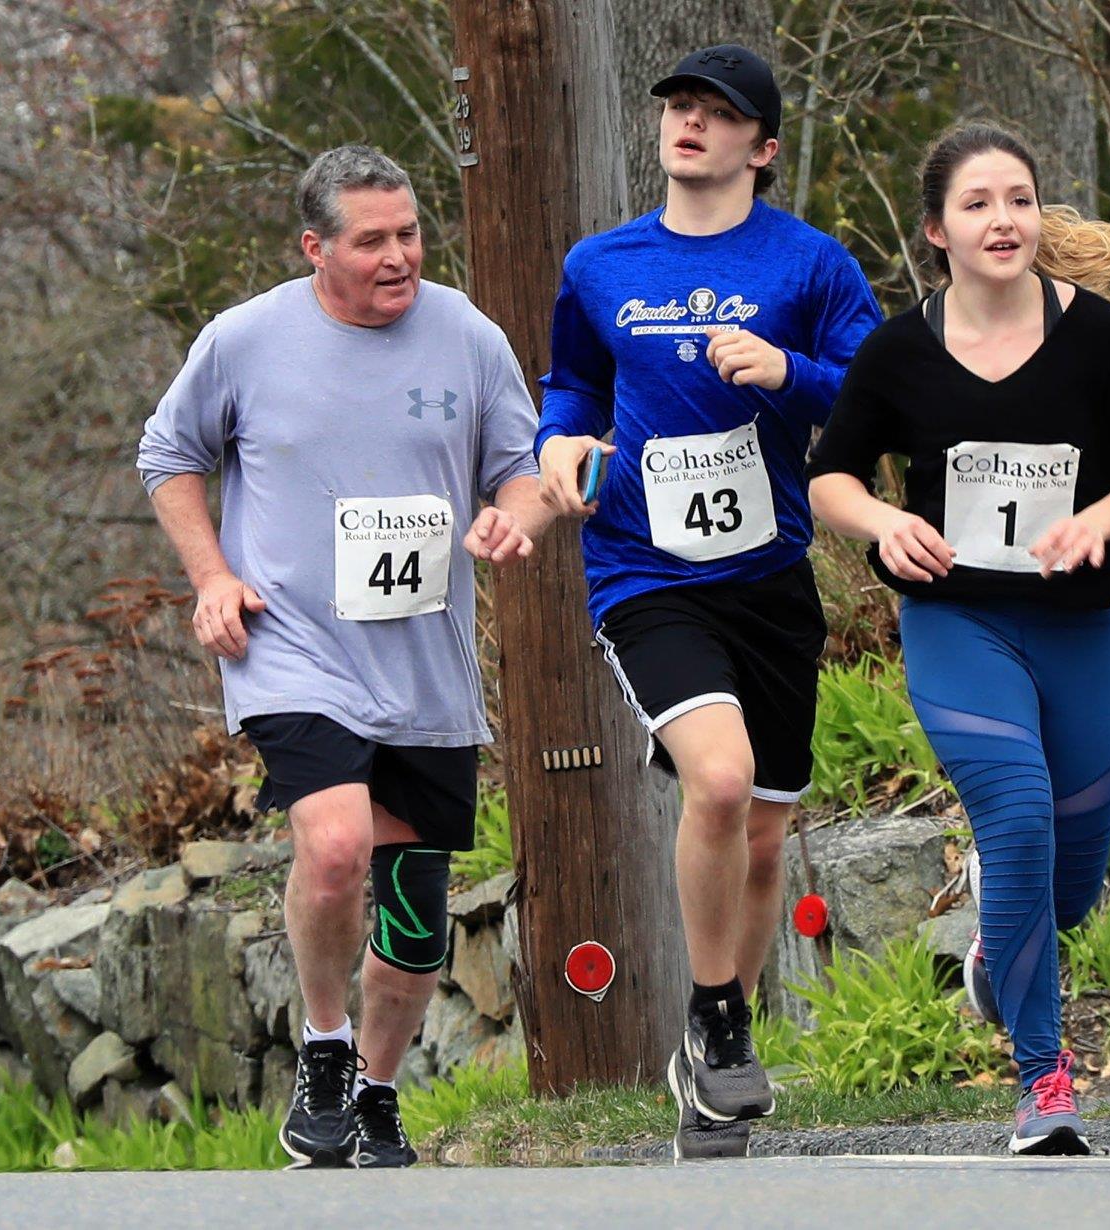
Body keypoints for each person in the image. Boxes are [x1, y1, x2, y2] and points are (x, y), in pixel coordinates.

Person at [137, 145, 549, 1169]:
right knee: (332, 848)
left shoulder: (467, 334)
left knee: (414, 916)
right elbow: (169, 455)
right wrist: (212, 577)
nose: (399, 256)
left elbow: (524, 468)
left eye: (408, 233)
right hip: (292, 647)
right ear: (315, 247)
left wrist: (514, 516)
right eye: (372, 241)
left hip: (424, 667)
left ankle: (376, 1090)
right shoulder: (245, 340)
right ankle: (324, 1047)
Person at [808, 122, 1110, 1156]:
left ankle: (996, 944)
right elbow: (831, 475)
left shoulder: (1096, 335)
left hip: (1082, 624)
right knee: (1017, 817)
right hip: (958, 621)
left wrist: (1098, 520)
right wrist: (883, 522)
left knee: (1070, 886)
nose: (1003, 219)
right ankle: (1042, 1083)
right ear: (938, 231)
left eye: (1018, 199)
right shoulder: (899, 350)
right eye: (977, 204)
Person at [534, 44, 881, 1158]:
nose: (689, 123)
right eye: (678, 106)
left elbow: (878, 394)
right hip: (645, 568)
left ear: (761, 146)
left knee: (764, 834)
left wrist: (788, 373)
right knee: (719, 782)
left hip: (768, 577)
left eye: (717, 112)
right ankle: (718, 1017)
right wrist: (556, 447)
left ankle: (714, 1047)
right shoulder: (601, 264)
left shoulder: (811, 264)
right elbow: (572, 384)